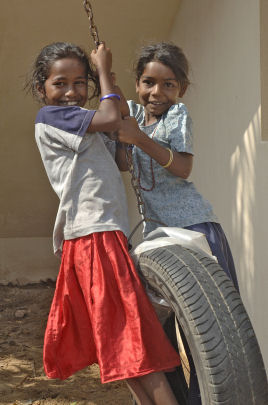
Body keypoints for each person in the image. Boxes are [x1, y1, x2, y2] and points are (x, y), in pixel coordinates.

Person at [27, 40, 181, 405]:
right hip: (94, 235)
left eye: (80, 82)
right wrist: (101, 72)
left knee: (119, 334)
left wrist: (119, 103)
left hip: (97, 235)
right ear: (41, 89)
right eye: (60, 82)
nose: (71, 91)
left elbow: (121, 158)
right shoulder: (52, 117)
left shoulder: (86, 127)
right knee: (133, 334)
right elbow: (110, 117)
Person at [115, 41, 240, 404]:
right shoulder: (134, 116)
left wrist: (140, 139)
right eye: (149, 82)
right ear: (137, 84)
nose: (157, 92)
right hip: (159, 239)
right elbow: (125, 163)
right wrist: (123, 125)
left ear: (180, 89)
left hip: (195, 229)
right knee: (163, 328)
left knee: (211, 331)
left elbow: (183, 167)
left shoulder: (177, 116)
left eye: (168, 84)